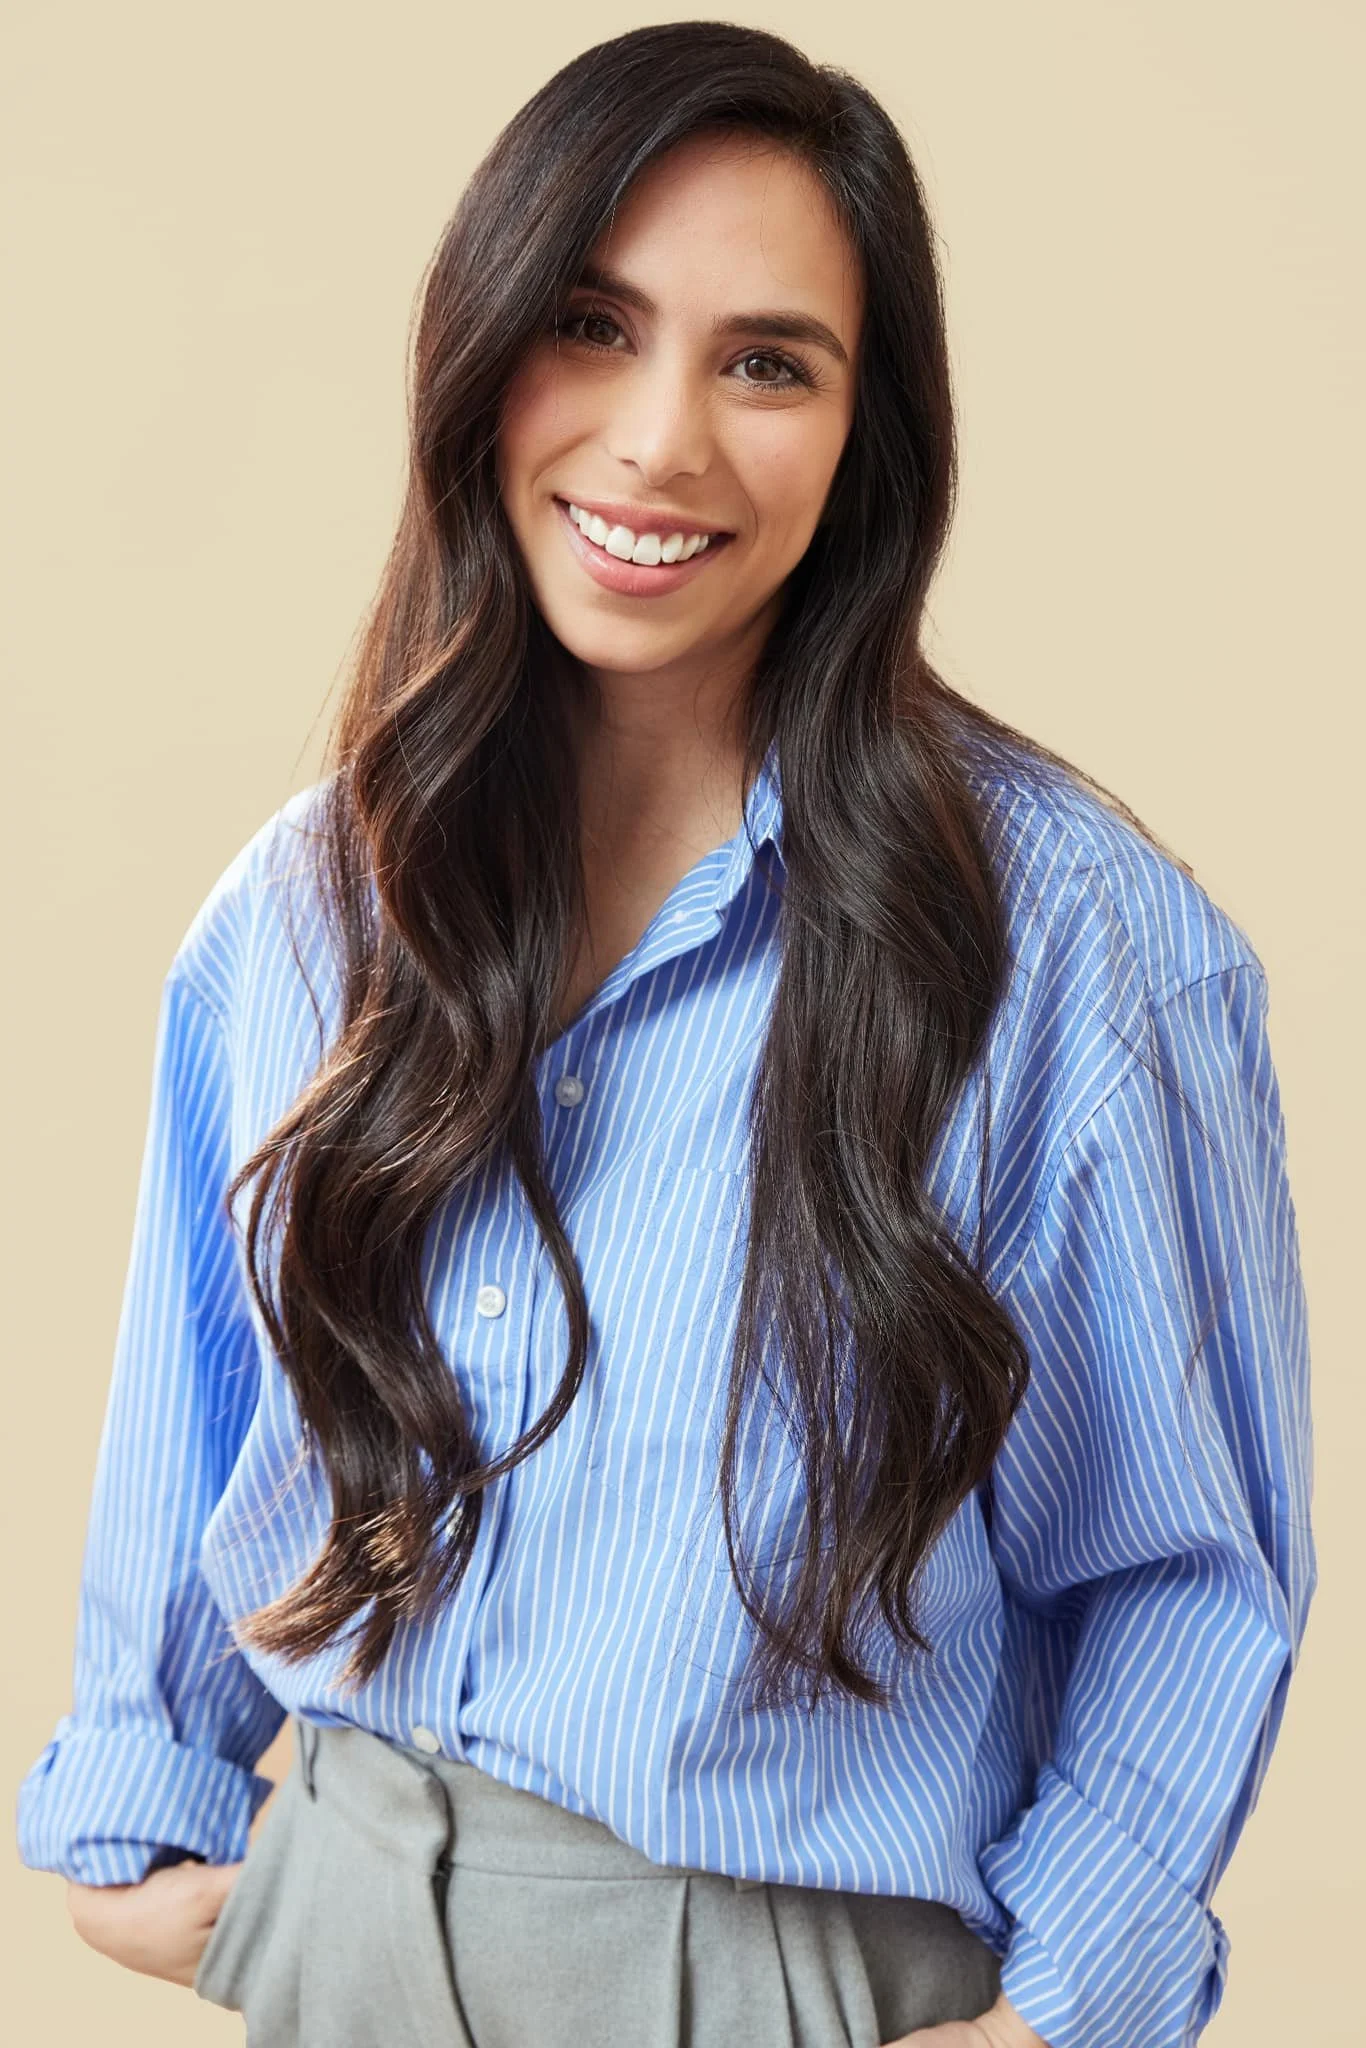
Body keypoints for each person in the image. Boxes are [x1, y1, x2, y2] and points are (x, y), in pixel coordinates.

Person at [15, 22, 1315, 2048]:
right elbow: (209, 1418)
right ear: (480, 357)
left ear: (862, 433)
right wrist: (150, 1844)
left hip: (789, 1982)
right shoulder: (306, 905)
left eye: (766, 361)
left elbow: (1181, 1563)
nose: (657, 444)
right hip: (349, 1936)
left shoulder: (1077, 951)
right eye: (591, 326)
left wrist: (1057, 2008)